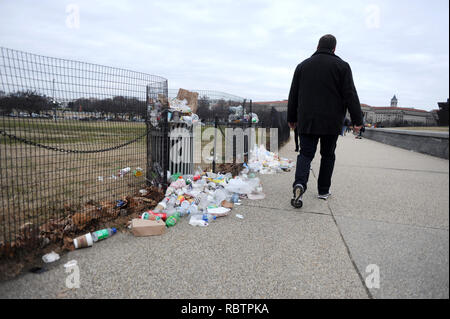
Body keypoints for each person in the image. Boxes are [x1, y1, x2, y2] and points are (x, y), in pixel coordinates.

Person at [287, 34, 363, 208]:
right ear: (334, 48)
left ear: (317, 46)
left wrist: (291, 117)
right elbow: (350, 94)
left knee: (305, 154)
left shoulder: (302, 66)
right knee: (328, 155)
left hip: (307, 120)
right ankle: (323, 190)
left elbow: (294, 94)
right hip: (331, 121)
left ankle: (300, 184)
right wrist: (357, 120)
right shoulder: (342, 67)